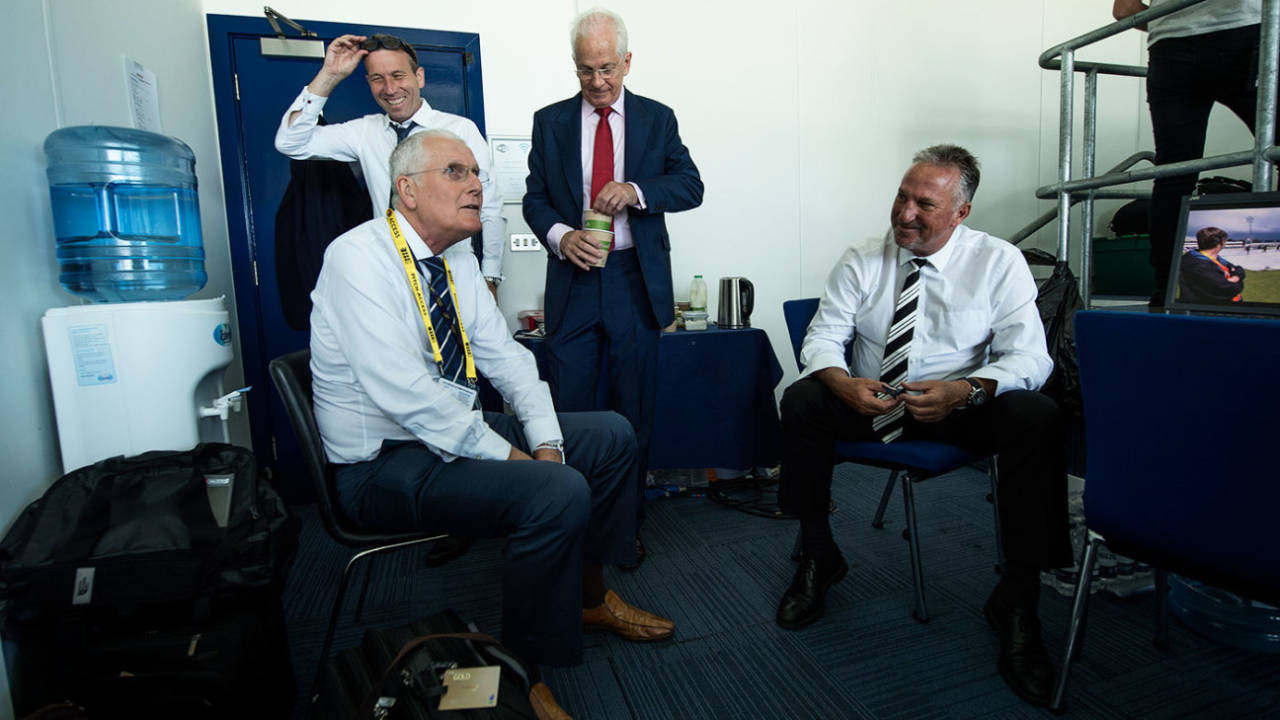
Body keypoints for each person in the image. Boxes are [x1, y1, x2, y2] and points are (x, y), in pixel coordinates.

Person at [309, 129, 675, 669]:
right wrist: (519, 460)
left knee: (611, 436)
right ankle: (527, 674)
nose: (477, 185)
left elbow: (508, 360)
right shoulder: (357, 258)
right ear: (407, 190)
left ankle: (589, 599)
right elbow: (406, 396)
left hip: (453, 428)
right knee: (556, 492)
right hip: (385, 461)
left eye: (477, 173)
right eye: (456, 172)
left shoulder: (455, 257)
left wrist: (547, 443)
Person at [774, 146, 1072, 708]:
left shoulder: (998, 261)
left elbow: (1031, 358)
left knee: (1036, 414)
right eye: (902, 197)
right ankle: (819, 554)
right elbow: (823, 337)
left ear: (961, 213)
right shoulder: (863, 257)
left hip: (955, 412)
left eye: (925, 204)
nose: (906, 214)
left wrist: (967, 390)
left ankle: (1018, 596)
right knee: (802, 400)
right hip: (871, 403)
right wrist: (842, 384)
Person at [523, 8, 703, 568]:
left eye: (606, 68)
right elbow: (534, 199)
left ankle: (626, 527)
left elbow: (691, 185)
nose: (597, 82)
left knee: (633, 414)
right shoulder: (550, 121)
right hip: (574, 282)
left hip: (633, 280)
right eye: (584, 71)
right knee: (569, 413)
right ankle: (572, 524)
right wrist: (560, 236)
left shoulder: (657, 118)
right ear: (573, 68)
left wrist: (637, 189)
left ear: (627, 61)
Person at [276, 32, 507, 295]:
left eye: (398, 75)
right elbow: (290, 142)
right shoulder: (364, 131)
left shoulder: (460, 130)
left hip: (454, 273)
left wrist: (490, 275)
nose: (390, 88)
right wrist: (330, 75)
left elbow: (489, 206)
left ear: (418, 77)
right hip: (387, 275)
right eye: (378, 79)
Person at [1111, 0, 1265, 308]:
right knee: (1273, 152)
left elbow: (1124, 10)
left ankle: (1165, 293)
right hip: (1243, 32)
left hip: (1169, 48)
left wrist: (1174, 19)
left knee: (1173, 175)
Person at [1178, 226, 1246, 303]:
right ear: (1218, 245)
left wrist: (1235, 277)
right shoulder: (1196, 265)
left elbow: (1238, 269)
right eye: (1224, 242)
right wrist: (1238, 281)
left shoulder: (1212, 257)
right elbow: (1227, 289)